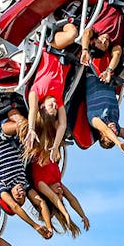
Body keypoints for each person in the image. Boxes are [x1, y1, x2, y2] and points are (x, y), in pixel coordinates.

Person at [0, 127, 53, 241]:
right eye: (23, 195)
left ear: (11, 195)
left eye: (18, 196)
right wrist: (48, 226)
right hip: (16, 139)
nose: (21, 192)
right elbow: (41, 202)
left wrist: (35, 226)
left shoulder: (0, 185)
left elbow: (15, 207)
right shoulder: (23, 181)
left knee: (25, 124)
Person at [25, 20, 77, 162]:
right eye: (55, 109)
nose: (54, 105)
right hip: (66, 55)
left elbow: (32, 110)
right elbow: (62, 125)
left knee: (72, 34)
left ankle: (68, 16)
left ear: (42, 106)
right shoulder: (58, 99)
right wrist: (55, 145)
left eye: (50, 107)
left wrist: (31, 129)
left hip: (52, 46)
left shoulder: (36, 92)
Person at [30, 156, 91, 238]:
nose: (61, 192)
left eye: (58, 194)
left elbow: (53, 198)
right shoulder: (57, 183)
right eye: (62, 195)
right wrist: (83, 215)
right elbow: (71, 199)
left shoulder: (40, 184)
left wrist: (65, 214)